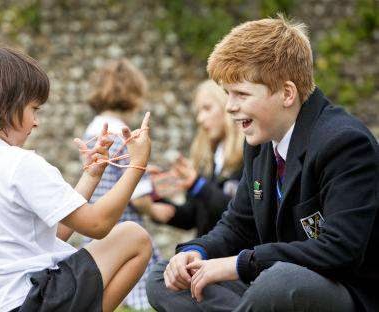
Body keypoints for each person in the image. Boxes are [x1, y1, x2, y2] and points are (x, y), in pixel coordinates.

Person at [146, 15, 379, 312]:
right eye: (228, 94)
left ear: (287, 93)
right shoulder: (260, 143)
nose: (230, 106)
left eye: (241, 94)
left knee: (278, 282)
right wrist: (196, 251)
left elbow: (340, 250)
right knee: (164, 278)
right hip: (273, 285)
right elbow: (237, 226)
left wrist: (239, 264)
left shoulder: (344, 142)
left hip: (348, 294)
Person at [0, 45, 153, 312]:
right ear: (2, 106)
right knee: (134, 237)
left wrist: (91, 175)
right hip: (29, 300)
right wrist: (136, 165)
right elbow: (98, 224)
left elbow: (50, 234)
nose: (37, 122)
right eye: (34, 109)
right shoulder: (19, 164)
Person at [82, 58, 165, 310]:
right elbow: (137, 196)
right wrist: (156, 210)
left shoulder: (92, 132)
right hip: (123, 222)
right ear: (133, 93)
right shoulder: (124, 134)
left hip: (96, 221)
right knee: (140, 284)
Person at [151, 80, 243, 236]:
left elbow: (240, 214)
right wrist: (153, 195)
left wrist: (197, 184)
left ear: (227, 106)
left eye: (207, 108)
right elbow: (191, 217)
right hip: (205, 252)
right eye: (198, 112)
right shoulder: (210, 159)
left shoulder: (250, 155)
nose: (200, 119)